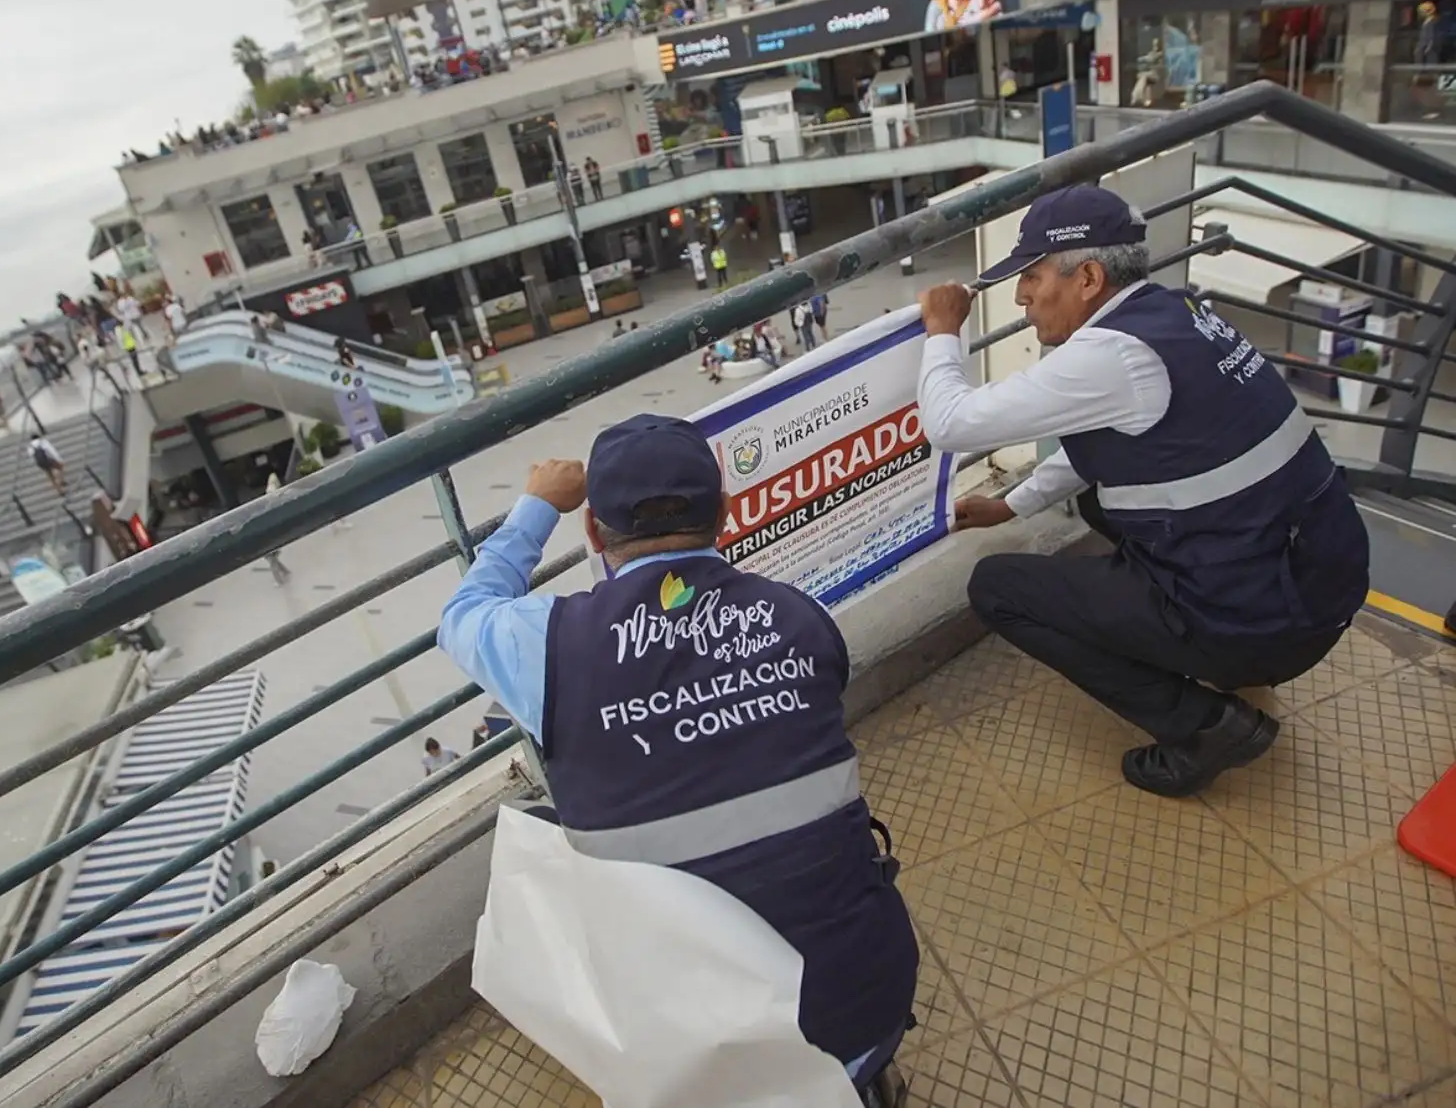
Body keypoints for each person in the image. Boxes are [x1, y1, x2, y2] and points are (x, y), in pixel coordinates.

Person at [436, 418, 917, 1099]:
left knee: (545, 826)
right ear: (723, 515)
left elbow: (461, 614)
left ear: (595, 536)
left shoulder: (548, 647)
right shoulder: (802, 618)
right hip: (864, 1002)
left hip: (680, 1052)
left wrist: (539, 503)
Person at [915, 185, 1369, 798]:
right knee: (1100, 499)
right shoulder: (1177, 313)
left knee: (998, 588)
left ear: (1089, 277)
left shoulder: (1109, 357)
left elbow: (950, 425)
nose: (1021, 296)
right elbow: (1104, 443)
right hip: (1321, 578)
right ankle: (1200, 631)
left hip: (1271, 625)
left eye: (1031, 275)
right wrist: (1012, 503)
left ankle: (1205, 728)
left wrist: (943, 331)